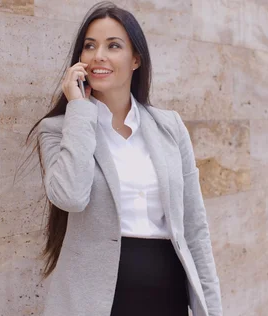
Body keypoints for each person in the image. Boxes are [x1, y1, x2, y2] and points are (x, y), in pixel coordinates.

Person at [27, 2, 222, 315]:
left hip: (168, 298)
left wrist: (212, 309)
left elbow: (195, 229)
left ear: (135, 59)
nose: (98, 55)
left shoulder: (169, 126)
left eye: (113, 45)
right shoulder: (59, 130)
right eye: (89, 46)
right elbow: (70, 197)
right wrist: (79, 111)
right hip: (95, 303)